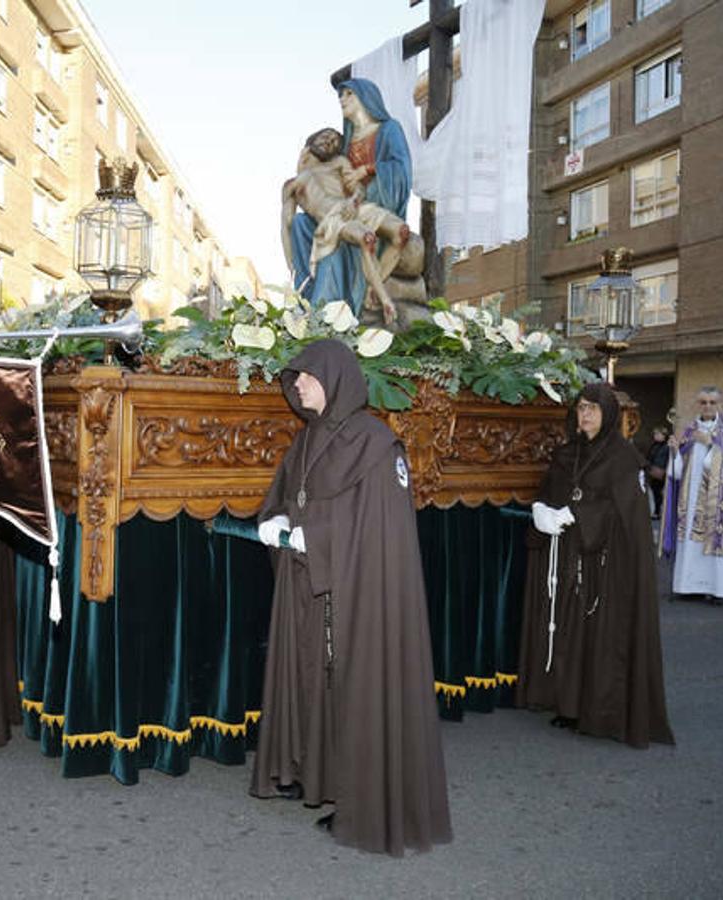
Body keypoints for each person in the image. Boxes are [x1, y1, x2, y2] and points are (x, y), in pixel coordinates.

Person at [250, 338, 450, 857]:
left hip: (356, 591)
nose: (296, 385)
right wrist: (274, 519)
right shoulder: (308, 439)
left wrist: (309, 536)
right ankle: (302, 771)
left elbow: (377, 530)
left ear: (336, 378)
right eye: (293, 378)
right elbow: (287, 496)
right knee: (305, 679)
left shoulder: (375, 444)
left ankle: (353, 793)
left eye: (306, 377)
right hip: (305, 586)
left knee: (348, 686)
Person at [516, 384, 674, 749]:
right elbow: (550, 491)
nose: (584, 415)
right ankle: (567, 703)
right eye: (581, 408)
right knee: (569, 631)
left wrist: (579, 514)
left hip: (603, 563)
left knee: (597, 634)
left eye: (593, 408)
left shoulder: (623, 457)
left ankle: (596, 708)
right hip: (568, 556)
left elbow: (628, 514)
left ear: (608, 413)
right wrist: (541, 509)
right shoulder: (566, 453)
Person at [289, 78, 412, 316]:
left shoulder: (389, 129)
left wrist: (367, 170)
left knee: (402, 233)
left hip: (374, 204)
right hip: (344, 210)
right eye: (340, 95)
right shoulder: (342, 144)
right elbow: (317, 176)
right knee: (305, 224)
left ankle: (371, 288)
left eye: (348, 94)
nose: (342, 99)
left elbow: (401, 167)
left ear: (366, 97)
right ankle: (314, 300)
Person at [280, 127, 418, 325]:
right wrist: (291, 265)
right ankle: (383, 299)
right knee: (367, 239)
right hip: (332, 220)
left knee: (401, 233)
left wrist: (354, 200)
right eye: (326, 136)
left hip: (355, 209)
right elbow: (287, 226)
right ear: (311, 140)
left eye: (336, 141)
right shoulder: (292, 184)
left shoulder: (339, 163)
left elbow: (358, 188)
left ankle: (373, 286)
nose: (330, 141)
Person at [660, 387, 723, 605]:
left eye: (712, 402)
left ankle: (718, 589)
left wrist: (711, 443)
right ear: (698, 404)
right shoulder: (689, 430)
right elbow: (678, 470)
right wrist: (674, 451)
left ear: (720, 404)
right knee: (690, 542)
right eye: (703, 402)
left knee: (716, 541)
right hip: (691, 500)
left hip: (719, 503)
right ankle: (688, 587)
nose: (708, 406)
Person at [644, 425, 670, 519]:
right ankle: (657, 511)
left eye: (658, 434)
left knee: (659, 492)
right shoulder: (654, 445)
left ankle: (658, 512)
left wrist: (666, 470)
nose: (655, 436)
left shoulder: (667, 446)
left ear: (664, 435)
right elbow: (649, 457)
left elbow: (668, 459)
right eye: (655, 434)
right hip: (653, 471)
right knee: (655, 492)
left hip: (661, 472)